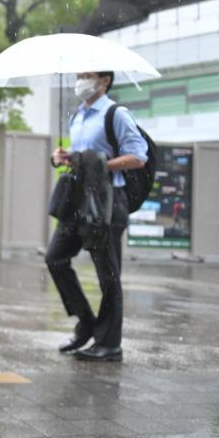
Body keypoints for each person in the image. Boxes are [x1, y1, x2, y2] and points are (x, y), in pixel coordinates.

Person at [46, 71, 148, 362]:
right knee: (55, 258)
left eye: (88, 76)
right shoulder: (77, 116)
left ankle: (109, 344)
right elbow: (82, 156)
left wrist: (101, 164)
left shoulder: (115, 114)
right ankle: (86, 322)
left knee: (109, 276)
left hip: (106, 204)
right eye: (79, 76)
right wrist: (64, 156)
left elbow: (138, 156)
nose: (81, 81)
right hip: (78, 201)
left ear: (105, 81)